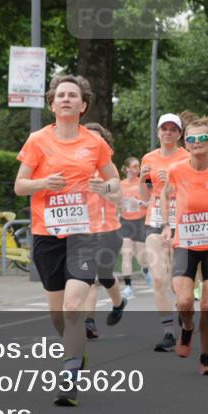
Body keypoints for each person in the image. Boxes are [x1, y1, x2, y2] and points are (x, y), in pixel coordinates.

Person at [14, 74, 120, 406]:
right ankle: (74, 351)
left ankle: (69, 375)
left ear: (83, 105)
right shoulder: (37, 141)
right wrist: (44, 182)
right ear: (52, 104)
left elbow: (114, 180)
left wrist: (106, 188)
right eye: (60, 95)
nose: (65, 100)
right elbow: (20, 185)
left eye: (72, 96)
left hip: (83, 233)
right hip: (47, 234)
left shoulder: (94, 143)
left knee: (75, 306)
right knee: (58, 312)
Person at [161, 116, 208, 375]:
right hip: (185, 241)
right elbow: (164, 194)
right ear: (186, 142)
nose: (196, 143)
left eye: (202, 138)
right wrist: (166, 224)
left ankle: (206, 356)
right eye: (191, 139)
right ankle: (187, 328)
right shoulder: (177, 170)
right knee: (184, 301)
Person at [138, 113, 190, 352]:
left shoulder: (187, 158)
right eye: (164, 128)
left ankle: (184, 312)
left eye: (173, 129)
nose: (168, 132)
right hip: (155, 219)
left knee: (177, 282)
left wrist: (171, 181)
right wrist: (142, 179)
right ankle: (169, 332)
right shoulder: (148, 158)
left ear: (180, 134)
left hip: (180, 219)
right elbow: (144, 197)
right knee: (159, 277)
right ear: (158, 132)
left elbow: (194, 192)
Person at [81, 123, 128, 339]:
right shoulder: (77, 168)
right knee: (89, 276)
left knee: (105, 275)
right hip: (85, 231)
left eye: (98, 139)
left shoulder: (109, 170)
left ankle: (119, 303)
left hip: (110, 230)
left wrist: (103, 189)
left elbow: (119, 199)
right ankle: (88, 322)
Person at [119, 156, 149, 299]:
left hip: (141, 220)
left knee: (141, 255)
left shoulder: (143, 183)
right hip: (126, 221)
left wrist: (142, 203)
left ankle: (146, 269)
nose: (138, 169)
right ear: (127, 169)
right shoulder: (120, 184)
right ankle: (128, 287)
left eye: (139, 166)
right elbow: (115, 203)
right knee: (127, 253)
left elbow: (152, 202)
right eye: (135, 166)